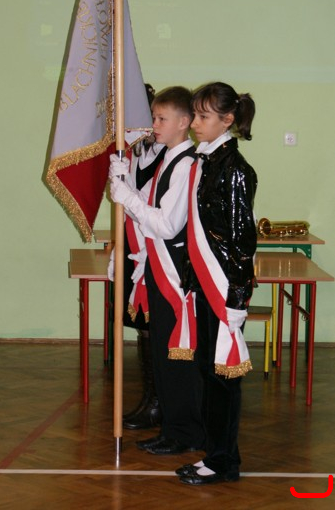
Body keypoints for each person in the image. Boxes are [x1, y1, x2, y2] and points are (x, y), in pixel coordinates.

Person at [110, 86, 205, 455]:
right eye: (154, 117)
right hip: (159, 269)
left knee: (178, 358)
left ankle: (185, 433)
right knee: (164, 356)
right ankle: (171, 427)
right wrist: (124, 183)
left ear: (183, 122)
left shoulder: (186, 164)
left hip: (176, 273)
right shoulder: (168, 160)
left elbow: (166, 225)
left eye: (161, 118)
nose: (154, 125)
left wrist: (128, 198)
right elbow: (146, 209)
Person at [176, 81, 257, 485]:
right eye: (195, 114)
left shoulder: (235, 170)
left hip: (223, 288)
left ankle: (224, 462)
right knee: (209, 372)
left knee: (223, 378)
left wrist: (237, 298)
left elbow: (242, 240)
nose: (195, 123)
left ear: (227, 120)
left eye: (203, 116)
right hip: (206, 284)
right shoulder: (205, 161)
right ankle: (215, 452)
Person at [108, 83, 167, 430]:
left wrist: (126, 193)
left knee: (160, 329)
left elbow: (155, 211)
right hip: (136, 252)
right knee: (145, 328)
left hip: (161, 255)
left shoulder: (169, 155)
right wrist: (119, 250)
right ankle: (152, 399)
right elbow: (126, 213)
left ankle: (164, 402)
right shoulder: (132, 154)